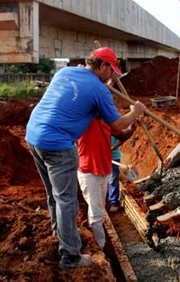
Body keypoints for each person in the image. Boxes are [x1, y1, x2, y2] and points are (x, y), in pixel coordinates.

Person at [25, 47, 145, 270]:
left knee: (54, 194)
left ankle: (59, 232)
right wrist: (136, 111)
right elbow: (118, 124)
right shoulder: (99, 91)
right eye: (112, 70)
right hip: (58, 144)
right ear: (103, 66)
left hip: (34, 136)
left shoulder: (65, 72)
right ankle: (70, 256)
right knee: (67, 200)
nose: (113, 76)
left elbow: (85, 93)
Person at [77, 117, 136, 248]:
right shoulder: (83, 121)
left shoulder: (107, 123)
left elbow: (121, 135)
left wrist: (132, 127)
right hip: (89, 173)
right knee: (96, 212)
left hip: (103, 172)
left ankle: (100, 243)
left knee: (101, 207)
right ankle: (100, 246)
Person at [108, 136, 122, 212]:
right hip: (100, 157)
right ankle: (106, 199)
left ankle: (113, 202)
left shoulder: (114, 126)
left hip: (114, 157)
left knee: (113, 179)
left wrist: (112, 148)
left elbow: (121, 138)